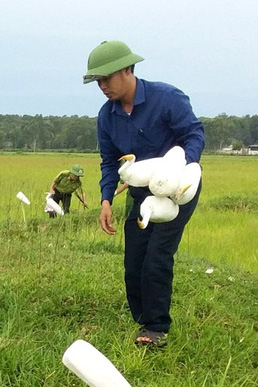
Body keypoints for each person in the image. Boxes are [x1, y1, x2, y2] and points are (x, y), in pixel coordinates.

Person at [84, 40, 204, 347]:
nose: (102, 86)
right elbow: (109, 161)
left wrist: (182, 170)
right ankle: (142, 317)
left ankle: (156, 327)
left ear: (127, 69)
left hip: (178, 191)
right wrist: (106, 200)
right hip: (140, 193)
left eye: (106, 79)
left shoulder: (166, 98)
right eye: (97, 81)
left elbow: (194, 134)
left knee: (157, 257)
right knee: (134, 260)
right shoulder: (106, 116)